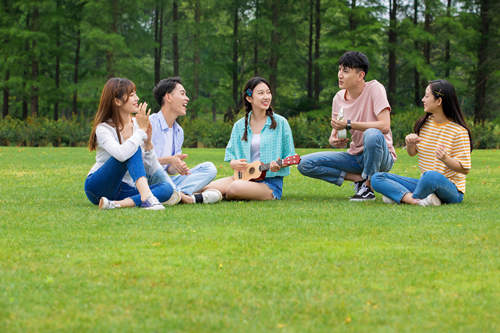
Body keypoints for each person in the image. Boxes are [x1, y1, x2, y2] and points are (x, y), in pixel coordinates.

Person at [297, 51, 397, 201]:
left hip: (381, 156)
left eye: (345, 71)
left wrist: (350, 124)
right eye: (339, 70)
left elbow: (384, 125)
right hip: (355, 157)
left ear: (360, 75)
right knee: (304, 163)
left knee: (372, 134)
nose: (340, 75)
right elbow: (336, 131)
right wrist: (333, 140)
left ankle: (368, 187)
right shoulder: (338, 98)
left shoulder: (375, 89)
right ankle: (359, 180)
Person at [371, 79, 472, 206]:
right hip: (424, 183)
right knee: (377, 178)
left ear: (439, 101)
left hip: (451, 190)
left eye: (427, 96)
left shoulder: (459, 131)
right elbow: (412, 153)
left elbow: (465, 169)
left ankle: (402, 196)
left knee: (430, 176)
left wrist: (446, 159)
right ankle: (415, 200)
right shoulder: (425, 125)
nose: (423, 99)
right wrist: (410, 144)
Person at [84, 77, 176, 210]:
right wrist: (141, 132)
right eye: (132, 95)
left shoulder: (138, 125)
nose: (137, 98)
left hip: (122, 189)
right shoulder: (103, 128)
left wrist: (148, 144)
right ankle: (146, 199)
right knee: (132, 150)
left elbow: (146, 166)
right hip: (98, 186)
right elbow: (122, 155)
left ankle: (116, 204)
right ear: (117, 101)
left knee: (166, 189)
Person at [203, 76, 296, 200]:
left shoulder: (281, 123)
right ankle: (185, 198)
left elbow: (291, 156)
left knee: (234, 188)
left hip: (269, 184)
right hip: (243, 177)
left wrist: (279, 165)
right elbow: (231, 156)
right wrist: (234, 163)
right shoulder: (239, 126)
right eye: (261, 93)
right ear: (249, 98)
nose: (266, 97)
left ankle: (216, 195)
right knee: (206, 187)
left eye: (268, 92)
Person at [149, 77, 222, 204]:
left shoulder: (178, 131)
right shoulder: (150, 124)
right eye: (182, 93)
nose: (187, 99)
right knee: (164, 183)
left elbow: (169, 170)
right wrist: (169, 160)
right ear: (168, 97)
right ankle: (185, 197)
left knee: (209, 168)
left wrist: (177, 166)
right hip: (147, 181)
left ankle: (176, 194)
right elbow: (142, 163)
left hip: (167, 181)